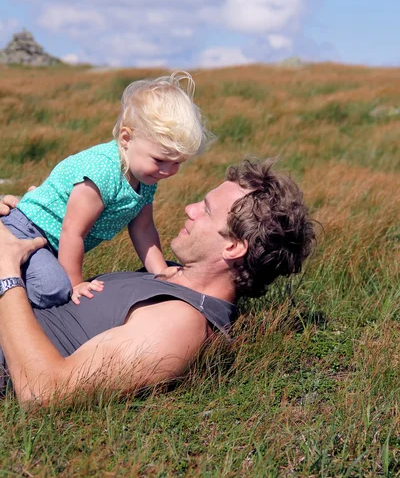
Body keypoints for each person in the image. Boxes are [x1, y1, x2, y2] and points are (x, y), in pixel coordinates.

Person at [0, 159, 316, 405]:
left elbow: (44, 392)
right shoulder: (171, 277)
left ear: (233, 246)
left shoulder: (180, 324)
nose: (189, 210)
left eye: (205, 210)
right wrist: (29, 220)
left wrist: (7, 271)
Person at [2, 71, 213, 306]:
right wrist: (74, 283)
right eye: (159, 159)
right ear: (126, 138)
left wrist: (161, 271)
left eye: (177, 163)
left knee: (50, 285)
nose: (167, 171)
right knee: (52, 290)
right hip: (27, 230)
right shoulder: (103, 171)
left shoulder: (146, 178)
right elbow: (73, 231)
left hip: (52, 245)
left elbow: (143, 229)